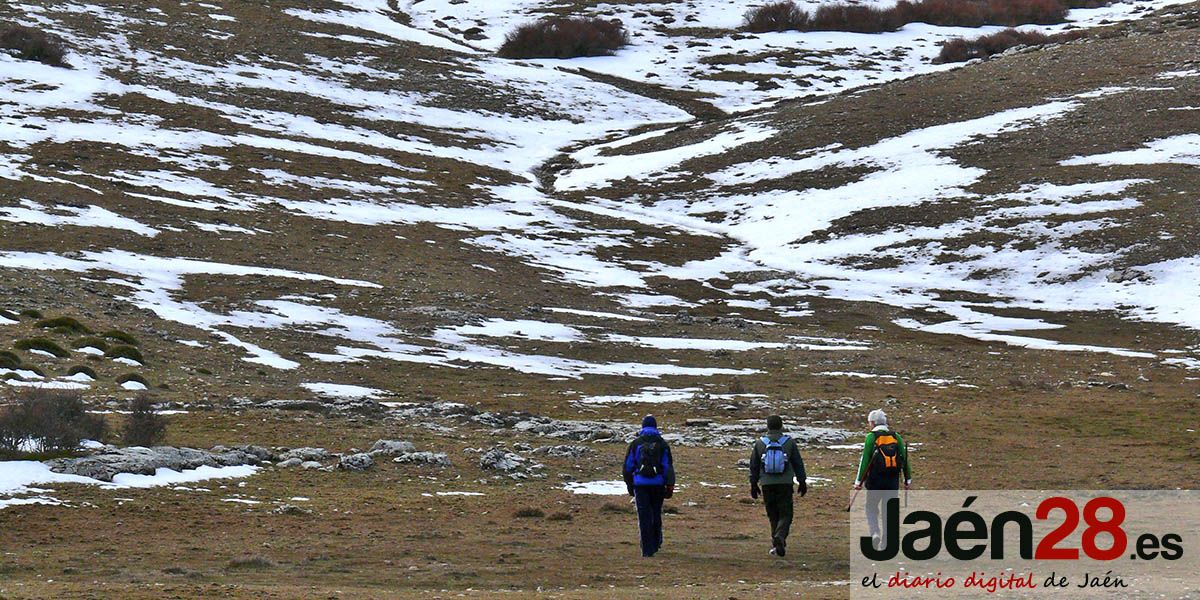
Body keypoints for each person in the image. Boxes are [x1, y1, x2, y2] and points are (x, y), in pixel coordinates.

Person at [749, 414, 808, 557]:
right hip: (785, 483)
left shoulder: (760, 443)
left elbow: (754, 465)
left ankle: (776, 543)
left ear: (767, 426)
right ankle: (780, 537)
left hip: (766, 484)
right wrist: (802, 481)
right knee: (786, 514)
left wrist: (753, 484)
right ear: (781, 426)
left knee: (773, 515)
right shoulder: (789, 442)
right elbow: (797, 463)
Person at [853, 409, 912, 550]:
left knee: (871, 508)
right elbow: (904, 459)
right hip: (892, 481)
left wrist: (858, 482)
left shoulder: (871, 437)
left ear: (873, 423)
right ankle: (886, 543)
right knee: (889, 511)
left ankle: (875, 533)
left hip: (875, 481)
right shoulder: (896, 436)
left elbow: (865, 460)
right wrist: (907, 479)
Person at [623, 415, 675, 557]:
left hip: (640, 485)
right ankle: (656, 542)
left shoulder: (636, 444)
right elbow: (668, 467)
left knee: (644, 516)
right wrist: (669, 486)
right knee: (655, 513)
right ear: (656, 427)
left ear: (642, 427)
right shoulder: (663, 444)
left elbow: (628, 467)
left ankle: (647, 549)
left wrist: (630, 486)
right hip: (658, 485)